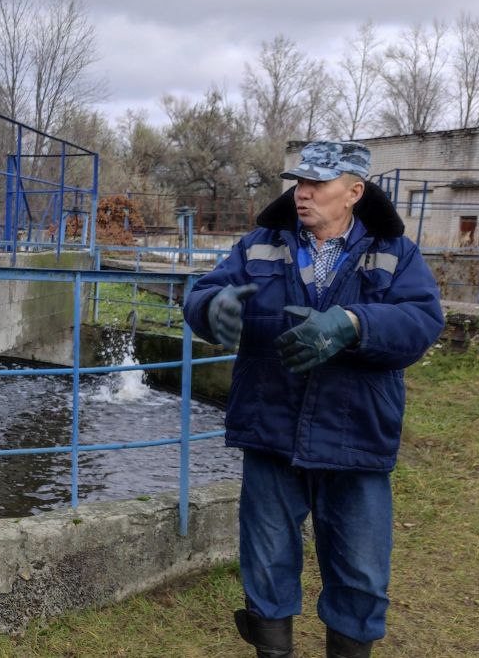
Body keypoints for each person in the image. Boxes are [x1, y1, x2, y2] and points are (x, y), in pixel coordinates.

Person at [183, 141, 443, 658]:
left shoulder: (394, 253)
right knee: (266, 561)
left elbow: (421, 322)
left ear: (353, 192)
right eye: (298, 183)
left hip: (355, 436)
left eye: (316, 184)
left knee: (361, 572)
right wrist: (213, 308)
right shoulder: (261, 244)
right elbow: (201, 292)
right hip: (271, 431)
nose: (302, 194)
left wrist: (354, 323)